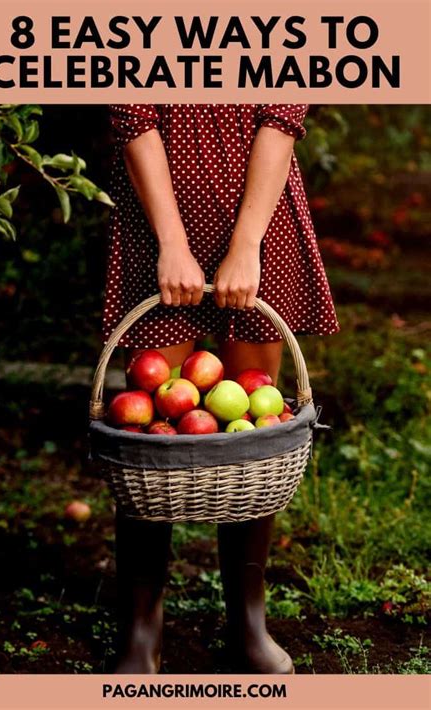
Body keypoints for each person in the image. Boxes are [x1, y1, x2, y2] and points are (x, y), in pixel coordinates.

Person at [104, 104, 339, 674]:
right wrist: (171, 242)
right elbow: (133, 119)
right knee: (145, 427)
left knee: (256, 428)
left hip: (259, 218)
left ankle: (247, 621)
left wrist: (247, 244)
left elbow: (281, 120)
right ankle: (143, 627)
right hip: (156, 213)